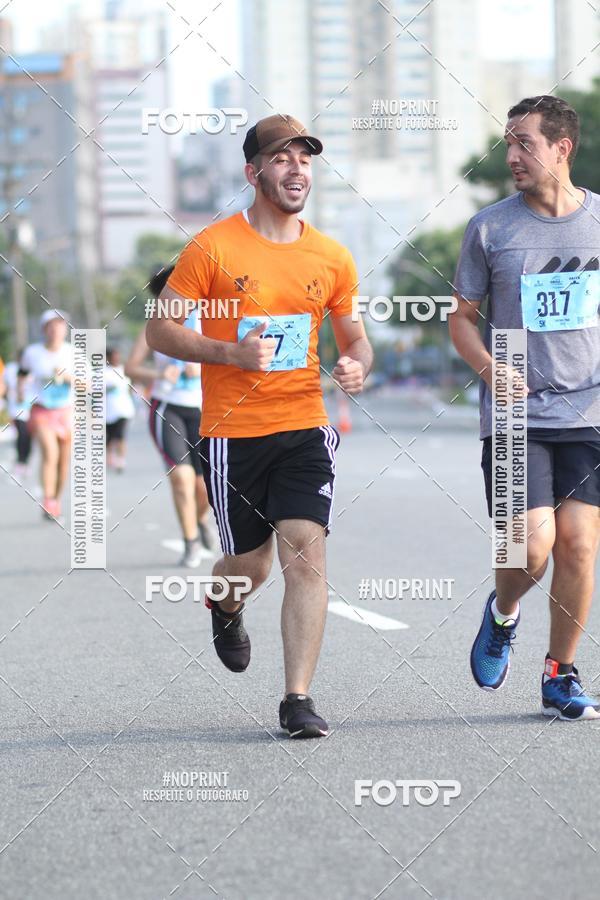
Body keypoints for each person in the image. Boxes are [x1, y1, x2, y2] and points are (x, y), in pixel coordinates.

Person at [146, 114, 373, 738]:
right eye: (282, 158)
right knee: (251, 566)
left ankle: (296, 698)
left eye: (305, 158)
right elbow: (159, 328)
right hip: (232, 434)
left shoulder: (330, 255)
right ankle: (224, 603)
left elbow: (355, 337)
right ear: (254, 172)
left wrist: (356, 364)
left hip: (304, 425)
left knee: (307, 552)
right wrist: (228, 353)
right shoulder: (212, 247)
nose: (297, 168)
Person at [450, 95, 600, 720]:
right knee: (529, 549)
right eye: (507, 142)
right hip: (516, 416)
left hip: (590, 413)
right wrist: (490, 368)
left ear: (562, 148)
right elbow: (461, 322)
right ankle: (503, 613)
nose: (511, 155)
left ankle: (559, 675)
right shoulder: (491, 228)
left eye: (524, 143)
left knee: (579, 548)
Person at [125, 269, 214, 566]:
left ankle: (200, 519)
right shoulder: (154, 327)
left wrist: (201, 365)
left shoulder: (207, 319)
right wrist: (160, 373)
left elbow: (228, 357)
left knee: (205, 486)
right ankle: (189, 542)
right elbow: (131, 368)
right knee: (181, 478)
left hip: (205, 409)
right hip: (168, 408)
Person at [22, 310, 73, 521]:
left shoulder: (73, 354)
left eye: (60, 326)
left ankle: (56, 499)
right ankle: (48, 500)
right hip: (42, 409)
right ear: (44, 330)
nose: (55, 330)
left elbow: (89, 385)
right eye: (51, 326)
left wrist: (68, 377)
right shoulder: (33, 353)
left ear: (65, 330)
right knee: (49, 453)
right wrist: (19, 391)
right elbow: (22, 372)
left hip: (67, 411)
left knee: (63, 461)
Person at [3, 349, 34, 481]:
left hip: (31, 407)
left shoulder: (32, 370)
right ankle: (20, 461)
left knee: (29, 436)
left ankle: (26, 461)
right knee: (21, 434)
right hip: (16, 408)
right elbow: (5, 386)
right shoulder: (10, 369)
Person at [105, 347, 135, 472]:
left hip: (123, 409)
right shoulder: (102, 372)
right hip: (108, 410)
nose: (116, 358)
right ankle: (110, 457)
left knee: (121, 435)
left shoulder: (124, 370)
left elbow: (130, 387)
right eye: (114, 356)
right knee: (110, 437)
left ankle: (121, 460)